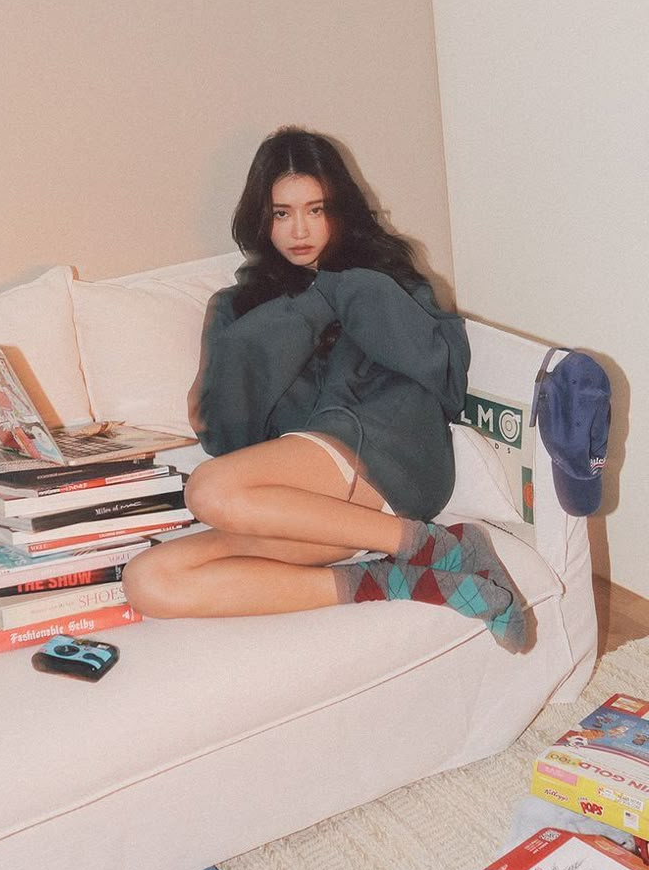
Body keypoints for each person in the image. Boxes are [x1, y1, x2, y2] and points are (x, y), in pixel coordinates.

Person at [122, 128, 527, 651]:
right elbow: (224, 433)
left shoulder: (379, 278)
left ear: (341, 210)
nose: (300, 230)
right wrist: (304, 311)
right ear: (262, 219)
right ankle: (395, 577)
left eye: (316, 209)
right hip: (315, 507)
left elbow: (438, 372)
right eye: (282, 213)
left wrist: (333, 289)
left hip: (388, 466)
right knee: (149, 580)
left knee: (207, 489)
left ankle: (433, 545)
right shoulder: (237, 308)